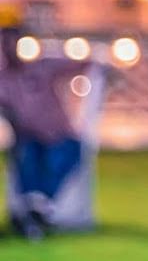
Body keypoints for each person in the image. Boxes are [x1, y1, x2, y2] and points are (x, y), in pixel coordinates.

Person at [0, 26, 87, 239]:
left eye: (13, 42)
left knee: (61, 155)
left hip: (61, 137)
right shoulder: (3, 82)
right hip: (28, 140)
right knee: (26, 154)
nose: (9, 48)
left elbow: (83, 63)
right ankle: (36, 211)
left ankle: (32, 210)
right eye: (4, 43)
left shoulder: (43, 66)